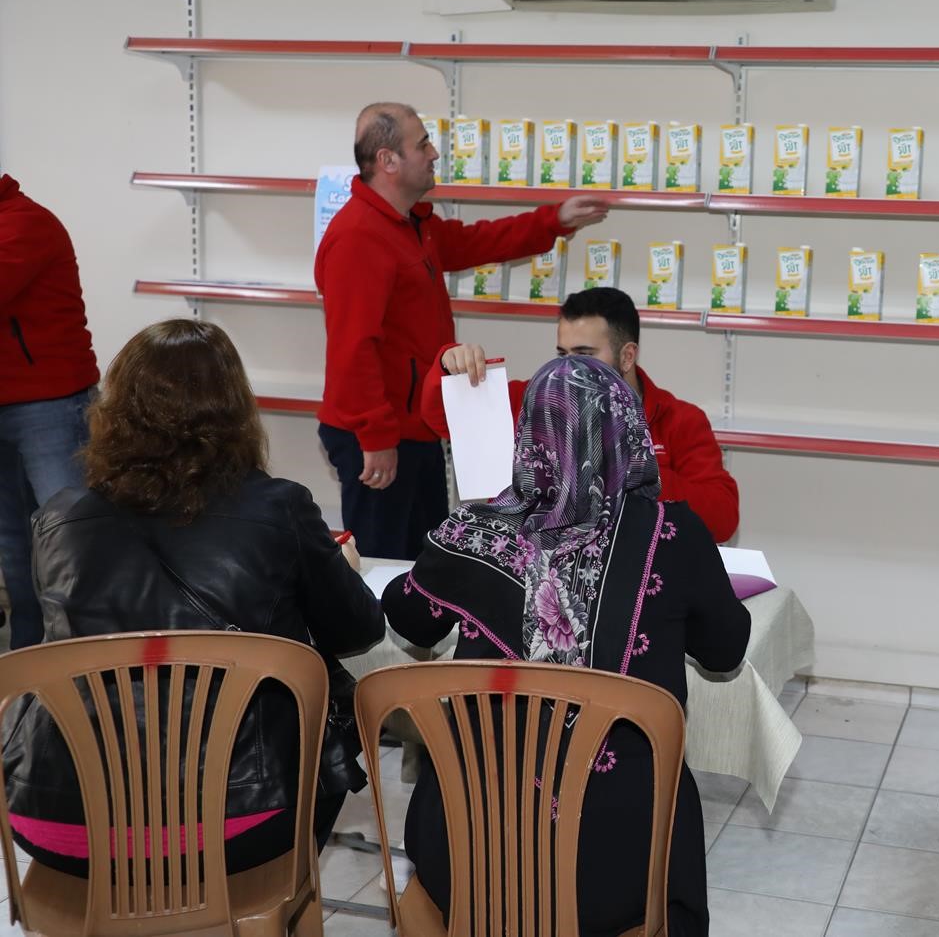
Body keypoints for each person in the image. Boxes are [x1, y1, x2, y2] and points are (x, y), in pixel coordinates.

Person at [383, 354, 750, 936]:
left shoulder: (471, 532)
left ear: (527, 435)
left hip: (471, 851)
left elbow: (407, 618)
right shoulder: (674, 535)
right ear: (628, 431)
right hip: (618, 868)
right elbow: (725, 651)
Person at [3, 319, 384, 876]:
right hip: (235, 820)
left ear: (116, 407)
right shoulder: (279, 508)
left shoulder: (58, 518)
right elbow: (357, 632)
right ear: (234, 409)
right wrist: (338, 569)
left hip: (59, 817)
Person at [315, 102, 609, 560]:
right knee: (380, 563)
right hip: (379, 436)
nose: (434, 153)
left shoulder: (411, 226)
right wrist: (376, 439)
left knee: (426, 561)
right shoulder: (359, 237)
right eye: (422, 144)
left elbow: (477, 241)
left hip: (416, 427)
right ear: (388, 161)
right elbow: (353, 349)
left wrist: (553, 220)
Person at [424, 286, 740, 542]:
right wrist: (448, 363)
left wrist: (631, 462)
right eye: (563, 354)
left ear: (627, 356)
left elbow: (722, 519)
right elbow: (441, 418)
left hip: (634, 583)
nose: (568, 368)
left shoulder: (679, 420)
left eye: (585, 355)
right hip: (537, 583)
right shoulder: (534, 400)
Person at [0, 171, 99, 649]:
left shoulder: (25, 224)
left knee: (70, 548)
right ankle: (25, 677)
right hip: (17, 409)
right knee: (16, 554)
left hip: (50, 410)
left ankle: (84, 672)